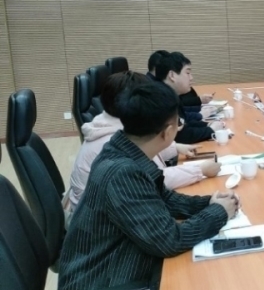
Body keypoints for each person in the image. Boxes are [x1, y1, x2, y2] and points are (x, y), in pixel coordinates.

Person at [57, 81, 239, 290]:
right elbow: (169, 240)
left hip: (108, 275)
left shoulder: (122, 147)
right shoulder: (122, 172)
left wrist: (207, 203)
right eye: (178, 123)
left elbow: (162, 196)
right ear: (167, 132)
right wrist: (218, 213)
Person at [65, 71, 221, 219]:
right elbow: (154, 180)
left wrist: (175, 148)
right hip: (102, 222)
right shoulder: (113, 143)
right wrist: (199, 170)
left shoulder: (110, 123)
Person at [156, 52, 223, 144]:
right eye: (187, 73)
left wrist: (207, 125)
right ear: (172, 75)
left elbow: (184, 123)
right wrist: (210, 130)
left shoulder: (169, 95)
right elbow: (181, 136)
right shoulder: (161, 99)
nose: (191, 78)